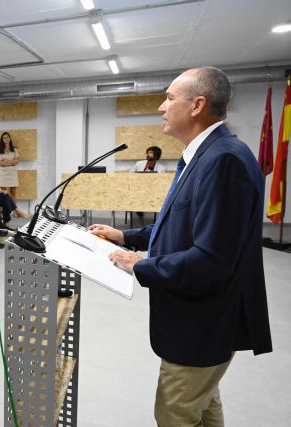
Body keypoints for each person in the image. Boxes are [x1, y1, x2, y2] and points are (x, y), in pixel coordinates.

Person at [89, 66, 272, 427]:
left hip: (202, 323)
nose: (161, 106)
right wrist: (126, 236)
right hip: (200, 323)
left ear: (197, 105)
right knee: (203, 407)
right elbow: (183, 225)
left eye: (170, 97)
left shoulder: (224, 160)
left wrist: (137, 265)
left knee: (175, 413)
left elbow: (212, 259)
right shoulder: (205, 154)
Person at [0, 132, 20, 201]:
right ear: (2, 139)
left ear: (10, 138)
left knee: (13, 193)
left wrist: (6, 161)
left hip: (12, 173)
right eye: (4, 138)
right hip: (3, 173)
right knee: (3, 193)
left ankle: (15, 211)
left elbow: (17, 161)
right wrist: (12, 162)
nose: (6, 139)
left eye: (7, 137)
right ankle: (5, 211)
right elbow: (0, 163)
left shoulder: (15, 149)